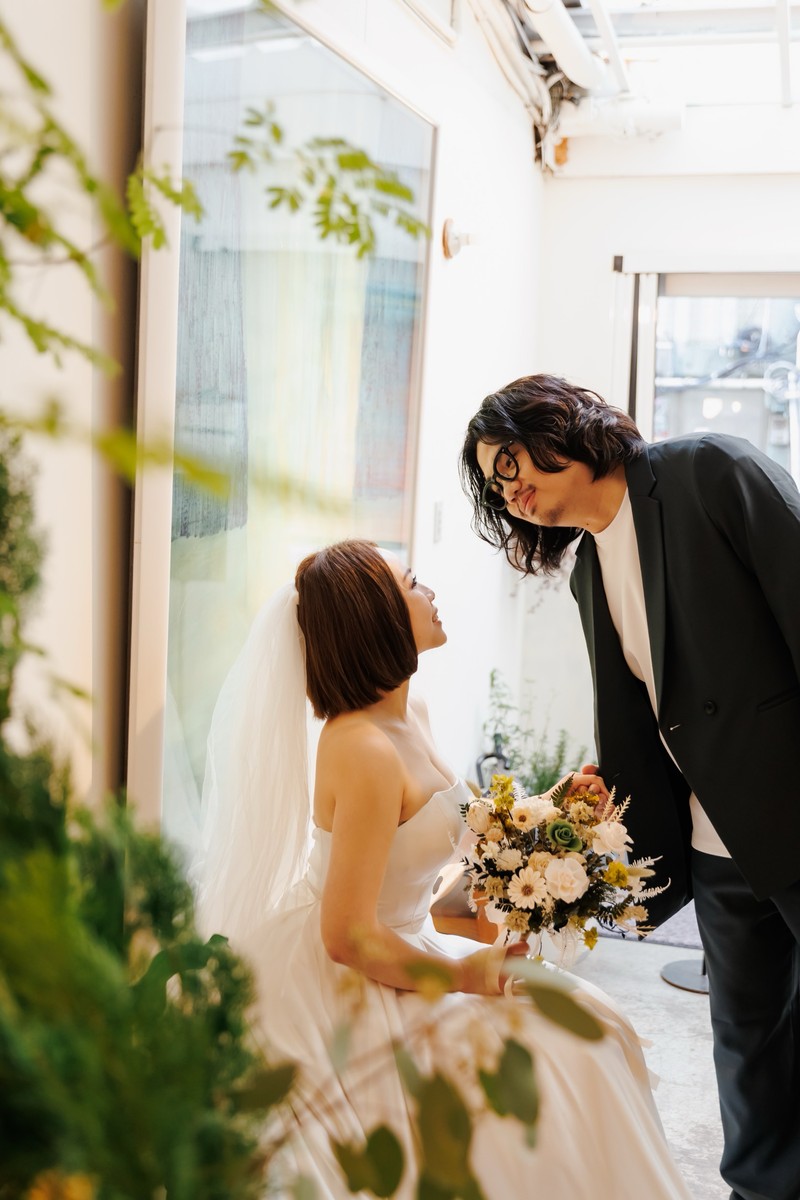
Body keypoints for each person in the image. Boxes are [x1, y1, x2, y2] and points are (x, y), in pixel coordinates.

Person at [194, 537, 690, 1200]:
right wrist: (464, 976)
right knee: (564, 1056)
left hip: (406, 946)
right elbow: (346, 936)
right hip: (354, 975)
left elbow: (455, 824)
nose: (430, 593)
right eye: (413, 584)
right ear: (377, 620)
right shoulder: (362, 751)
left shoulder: (412, 712)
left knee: (594, 1027)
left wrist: (551, 806)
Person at [460, 374, 800, 1200]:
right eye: (496, 486)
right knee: (747, 1042)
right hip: (714, 840)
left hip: (793, 810)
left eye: (511, 463)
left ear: (559, 426)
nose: (511, 492)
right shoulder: (587, 569)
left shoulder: (711, 471)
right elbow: (652, 713)